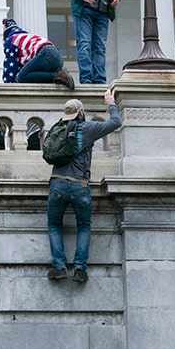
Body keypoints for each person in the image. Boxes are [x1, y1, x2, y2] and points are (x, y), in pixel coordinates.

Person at [47, 90, 122, 284]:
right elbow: (116, 122)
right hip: (79, 184)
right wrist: (111, 103)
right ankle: (80, 269)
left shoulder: (59, 128)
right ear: (81, 112)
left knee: (54, 225)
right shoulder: (88, 128)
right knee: (84, 226)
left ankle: (59, 267)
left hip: (57, 183)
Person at [1, 18, 75, 89]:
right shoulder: (26, 37)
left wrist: (9, 85)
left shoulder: (11, 40)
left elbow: (10, 66)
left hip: (47, 54)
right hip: (58, 58)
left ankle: (58, 76)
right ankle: (61, 76)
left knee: (21, 77)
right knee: (33, 76)